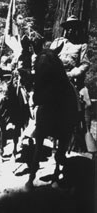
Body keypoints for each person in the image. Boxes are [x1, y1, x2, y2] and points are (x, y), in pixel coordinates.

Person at [50, 15, 91, 149]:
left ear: (77, 29)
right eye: (68, 28)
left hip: (73, 80)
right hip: (56, 77)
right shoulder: (57, 42)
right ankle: (36, 128)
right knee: (42, 97)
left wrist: (73, 73)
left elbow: (85, 64)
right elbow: (49, 57)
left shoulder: (82, 45)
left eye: (74, 28)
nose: (70, 30)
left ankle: (85, 136)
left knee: (86, 103)